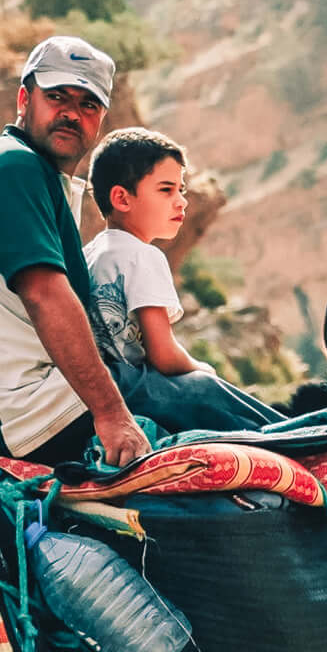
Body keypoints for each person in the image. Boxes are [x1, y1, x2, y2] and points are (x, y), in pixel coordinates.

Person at [0, 35, 149, 471]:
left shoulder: (36, 175)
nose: (72, 113)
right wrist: (111, 415)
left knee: (154, 376)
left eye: (88, 105)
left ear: (100, 120)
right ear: (25, 98)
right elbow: (43, 293)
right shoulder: (11, 166)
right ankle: (306, 442)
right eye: (57, 97)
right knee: (168, 391)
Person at [85, 127, 274, 437]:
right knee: (214, 392)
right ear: (121, 198)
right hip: (142, 392)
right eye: (166, 190)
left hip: (101, 392)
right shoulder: (143, 256)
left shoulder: (90, 255)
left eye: (181, 189)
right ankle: (312, 436)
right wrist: (202, 369)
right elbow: (163, 354)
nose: (181, 202)